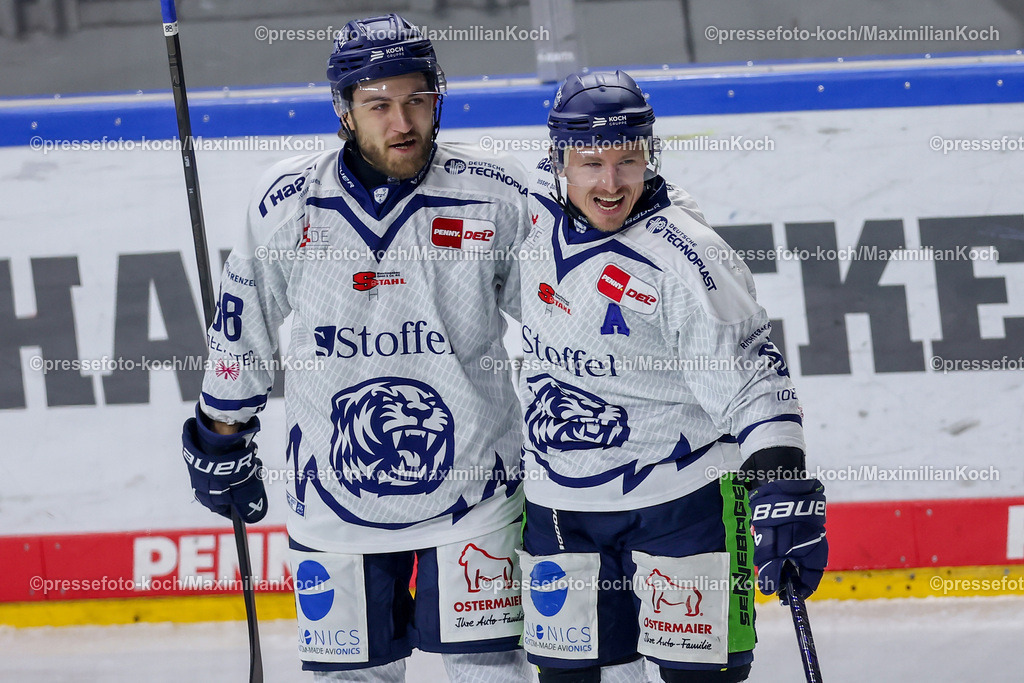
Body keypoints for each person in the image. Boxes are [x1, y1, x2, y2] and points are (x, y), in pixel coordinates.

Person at [180, 14, 532, 682]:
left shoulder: (496, 192)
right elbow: (242, 326)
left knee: (488, 668)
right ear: (344, 112)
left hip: (477, 488)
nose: (402, 123)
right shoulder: (288, 201)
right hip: (333, 496)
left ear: (438, 98)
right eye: (378, 105)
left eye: (416, 100)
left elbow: (557, 321)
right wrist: (220, 437)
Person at [515, 70, 828, 682]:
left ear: (649, 155)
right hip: (560, 509)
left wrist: (782, 483)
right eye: (591, 162)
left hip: (685, 506)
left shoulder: (688, 254)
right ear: (559, 159)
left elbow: (750, 377)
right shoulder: (523, 218)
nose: (611, 183)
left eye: (628, 160)